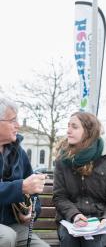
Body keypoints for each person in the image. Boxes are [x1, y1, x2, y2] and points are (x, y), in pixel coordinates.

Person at [53, 111, 106, 247]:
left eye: (74, 127)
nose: (68, 131)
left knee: (92, 243)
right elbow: (60, 197)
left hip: (100, 223)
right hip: (70, 222)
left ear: (88, 131)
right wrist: (75, 215)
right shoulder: (62, 160)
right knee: (69, 241)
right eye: (68, 126)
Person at [0, 97, 50, 247]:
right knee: (7, 237)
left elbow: (33, 194)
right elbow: (23, 186)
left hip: (12, 225)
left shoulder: (19, 152)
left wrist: (31, 213)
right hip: (7, 234)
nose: (18, 125)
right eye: (12, 120)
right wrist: (20, 187)